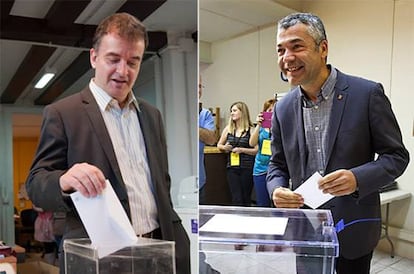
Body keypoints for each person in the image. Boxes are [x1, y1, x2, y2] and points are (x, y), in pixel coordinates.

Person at [25, 13, 190, 274]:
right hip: (98, 256)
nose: (123, 71)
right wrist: (64, 180)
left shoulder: (152, 115)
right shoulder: (63, 113)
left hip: (159, 250)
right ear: (93, 57)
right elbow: (35, 184)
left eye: (133, 62)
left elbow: (161, 182)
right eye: (113, 59)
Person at [267, 12, 409, 274]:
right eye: (280, 50)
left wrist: (357, 178)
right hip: (305, 230)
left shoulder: (366, 94)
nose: (286, 58)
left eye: (296, 46)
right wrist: (276, 189)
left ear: (323, 48)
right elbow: (277, 165)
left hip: (354, 227)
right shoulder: (282, 109)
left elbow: (397, 157)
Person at [217, 101, 258, 206]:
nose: (232, 113)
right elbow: (219, 145)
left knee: (246, 197)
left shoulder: (251, 129)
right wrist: (225, 147)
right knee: (236, 198)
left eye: (234, 110)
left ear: (242, 112)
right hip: (232, 167)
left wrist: (242, 150)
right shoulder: (228, 129)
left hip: (247, 167)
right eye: (231, 111)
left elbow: (256, 150)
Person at [249, 98, 276, 207]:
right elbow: (252, 143)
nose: (272, 113)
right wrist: (259, 125)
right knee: (262, 202)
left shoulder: (281, 127)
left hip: (275, 169)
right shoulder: (260, 129)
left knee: (275, 202)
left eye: (274, 110)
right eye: (269, 110)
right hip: (260, 168)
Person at [198, 78, 216, 204]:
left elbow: (211, 139)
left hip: (199, 180)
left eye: (200, 86)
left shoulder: (205, 114)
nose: (198, 90)